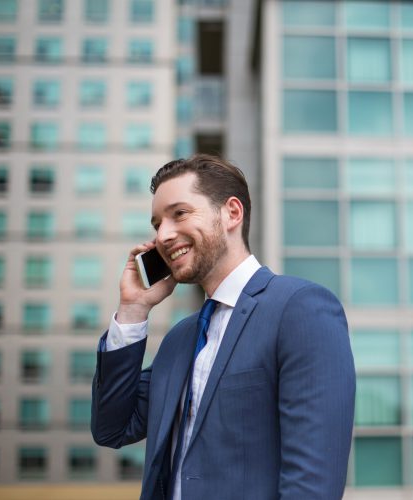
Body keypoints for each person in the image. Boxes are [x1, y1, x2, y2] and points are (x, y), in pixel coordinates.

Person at [91, 154, 356, 500]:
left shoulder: (300, 309)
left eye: (180, 214)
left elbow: (312, 485)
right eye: (157, 224)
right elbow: (112, 428)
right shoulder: (179, 340)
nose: (164, 235)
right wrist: (133, 310)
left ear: (232, 213)